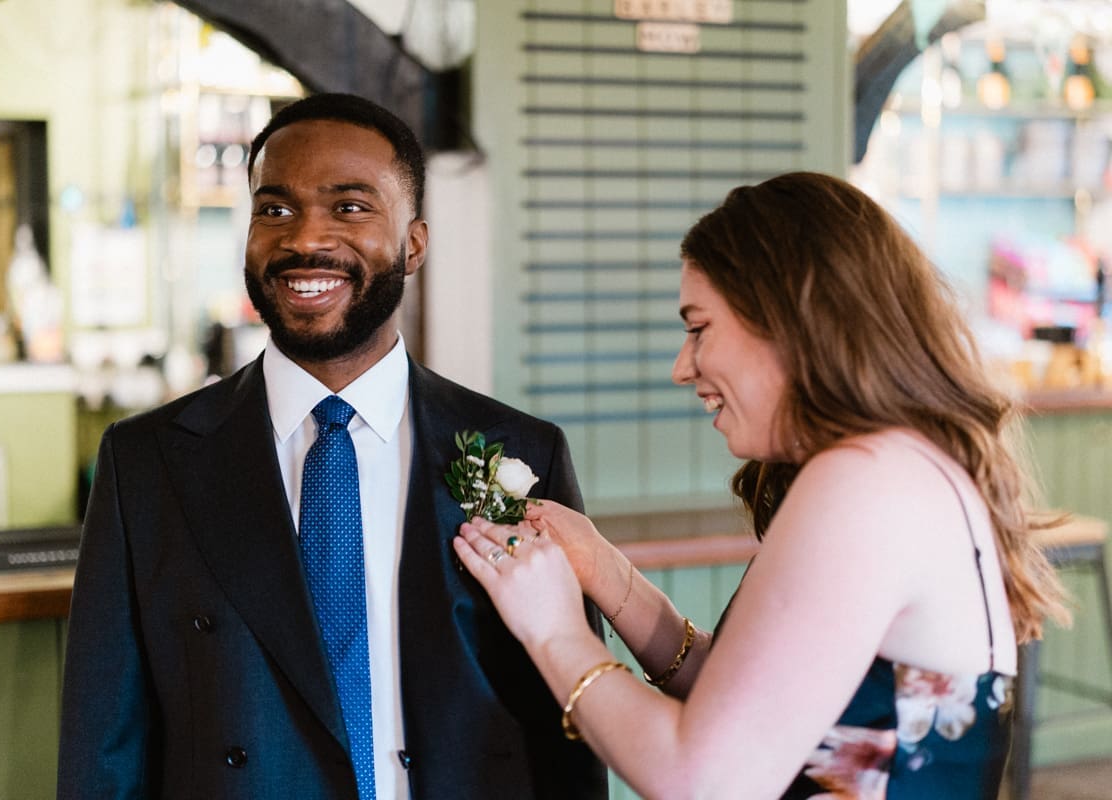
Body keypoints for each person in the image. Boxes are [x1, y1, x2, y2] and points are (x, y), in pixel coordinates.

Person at [57, 93, 607, 799]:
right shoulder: (146, 464)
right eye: (274, 209)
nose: (304, 239)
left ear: (413, 243)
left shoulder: (522, 452)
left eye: (349, 206)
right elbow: (103, 750)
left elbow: (568, 722)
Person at [454, 171, 1070, 799]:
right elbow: (749, 703)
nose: (681, 366)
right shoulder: (897, 469)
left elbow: (701, 777)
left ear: (786, 319)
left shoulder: (867, 484)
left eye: (699, 328)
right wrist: (606, 573)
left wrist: (554, 630)